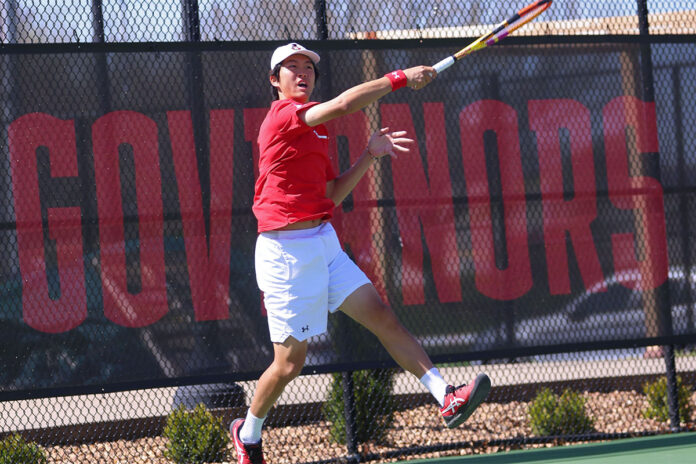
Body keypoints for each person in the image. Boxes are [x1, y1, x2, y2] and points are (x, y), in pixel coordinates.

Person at [230, 42, 491, 464]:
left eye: (307, 68)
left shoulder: (314, 130)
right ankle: (249, 431)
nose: (302, 74)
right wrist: (400, 78)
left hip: (323, 243)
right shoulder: (282, 116)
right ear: (274, 81)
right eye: (290, 68)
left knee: (383, 317)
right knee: (289, 364)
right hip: (285, 255)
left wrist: (369, 156)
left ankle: (446, 396)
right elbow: (343, 105)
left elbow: (331, 193)